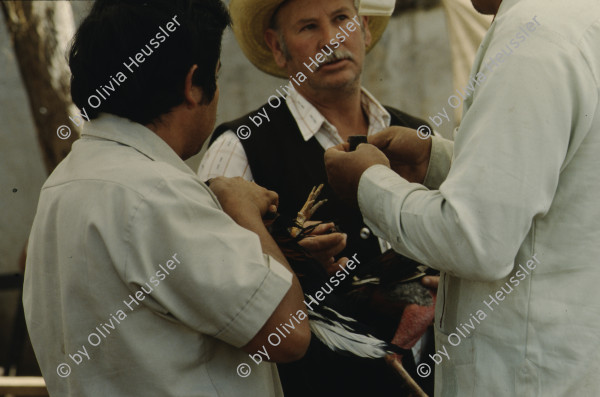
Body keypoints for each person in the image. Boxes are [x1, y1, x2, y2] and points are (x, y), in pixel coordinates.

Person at [23, 1, 309, 396]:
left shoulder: (61, 185)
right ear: (193, 84)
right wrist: (243, 211)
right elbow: (288, 333)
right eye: (217, 75)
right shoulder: (156, 192)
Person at [324, 0, 600, 395]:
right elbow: (551, 177)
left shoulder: (533, 33)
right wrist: (435, 160)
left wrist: (369, 183)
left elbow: (476, 238)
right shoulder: (579, 17)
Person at [198, 0, 437, 395]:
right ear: (278, 47)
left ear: (362, 27)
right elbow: (220, 293)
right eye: (308, 27)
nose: (331, 40)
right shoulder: (238, 149)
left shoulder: (417, 137)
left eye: (341, 18)